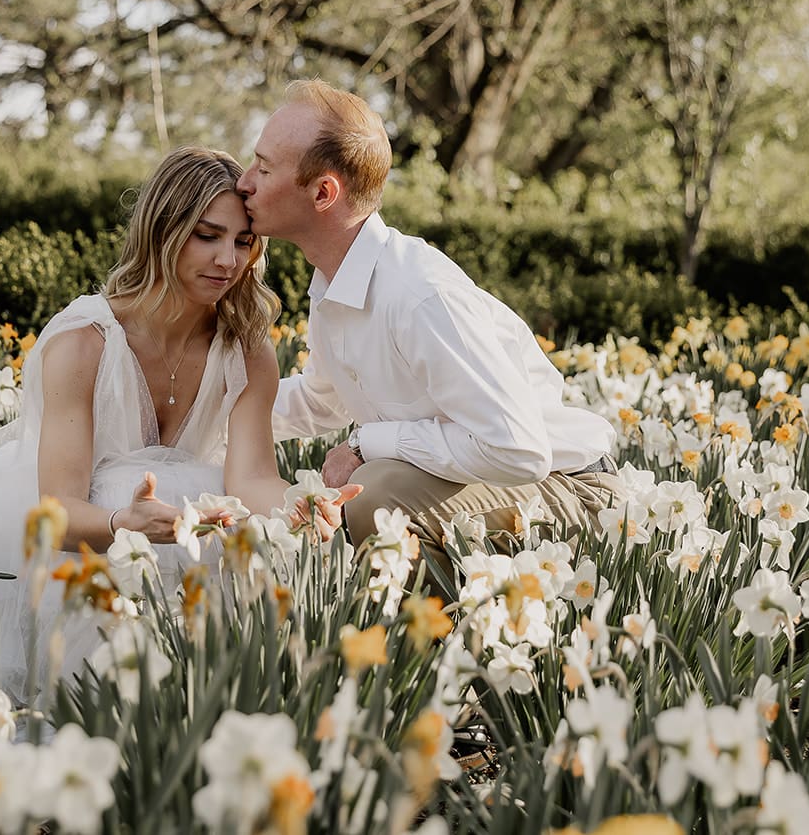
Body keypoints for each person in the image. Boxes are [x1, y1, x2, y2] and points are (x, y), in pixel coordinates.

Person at [0, 146, 354, 708]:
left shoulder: (247, 350)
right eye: (206, 235)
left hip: (182, 533)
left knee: (234, 529)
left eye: (243, 242)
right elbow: (60, 512)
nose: (227, 259)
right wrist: (127, 521)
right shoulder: (84, 342)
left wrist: (299, 504)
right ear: (162, 233)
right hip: (73, 541)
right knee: (132, 487)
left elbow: (252, 480)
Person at [235, 79, 618, 560]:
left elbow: (519, 450)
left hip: (576, 494)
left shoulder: (418, 295)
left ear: (323, 192)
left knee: (376, 493)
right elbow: (320, 402)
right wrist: (207, 408)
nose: (243, 182)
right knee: (377, 486)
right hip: (502, 485)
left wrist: (366, 444)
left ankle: (425, 634)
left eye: (264, 168)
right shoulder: (335, 284)